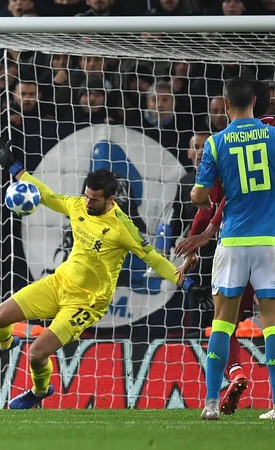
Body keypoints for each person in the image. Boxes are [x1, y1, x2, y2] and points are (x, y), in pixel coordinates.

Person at [0, 137, 189, 409]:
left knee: (36, 354)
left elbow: (153, 258)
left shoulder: (122, 228)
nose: (87, 202)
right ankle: (5, 345)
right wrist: (14, 168)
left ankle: (39, 391)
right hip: (59, 282)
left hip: (86, 303)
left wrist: (183, 280)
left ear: (110, 199)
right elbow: (46, 195)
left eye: (94, 199)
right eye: (87, 196)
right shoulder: (79, 205)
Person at [175, 79, 273, 417]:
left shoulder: (216, 143)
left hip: (231, 242)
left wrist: (200, 197)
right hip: (269, 242)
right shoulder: (273, 135)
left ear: (226, 106)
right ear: (258, 102)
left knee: (222, 322)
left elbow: (200, 197)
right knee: (271, 323)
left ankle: (211, 403)